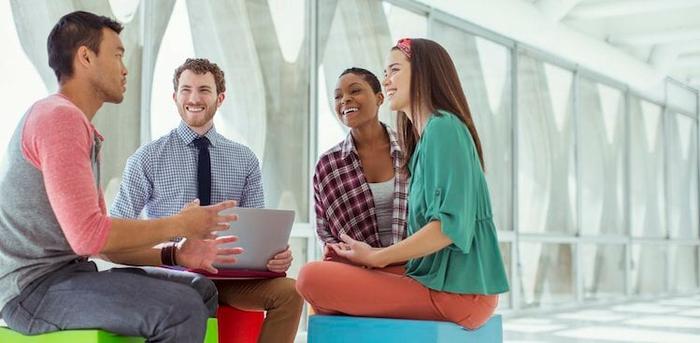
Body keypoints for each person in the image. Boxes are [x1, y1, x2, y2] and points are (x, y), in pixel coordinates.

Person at [0, 11, 241, 342]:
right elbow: (91, 237)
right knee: (180, 308)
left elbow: (104, 246)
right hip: (31, 289)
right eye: (117, 55)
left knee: (201, 289)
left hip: (69, 275)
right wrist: (181, 224)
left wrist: (176, 254)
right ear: (85, 57)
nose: (125, 68)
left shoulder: (78, 126)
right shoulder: (59, 120)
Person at [297, 38, 509, 330]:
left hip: (459, 292)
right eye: (385, 73)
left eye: (394, 70)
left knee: (310, 278)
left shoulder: (444, 129)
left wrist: (378, 257)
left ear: (422, 72)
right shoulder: (423, 142)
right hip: (436, 278)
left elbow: (449, 227)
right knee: (329, 276)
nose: (387, 80)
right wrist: (366, 257)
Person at [110, 58, 303, 343]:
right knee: (193, 293)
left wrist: (274, 256)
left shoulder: (244, 159)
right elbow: (117, 226)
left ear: (220, 98)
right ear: (174, 97)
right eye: (186, 90)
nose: (194, 98)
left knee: (291, 292)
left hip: (227, 277)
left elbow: (257, 231)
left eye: (204, 90)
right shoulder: (147, 158)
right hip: (171, 272)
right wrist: (171, 245)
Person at [313, 67, 408, 262]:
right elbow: (325, 232)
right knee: (309, 275)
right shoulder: (327, 165)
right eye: (338, 96)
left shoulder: (412, 151)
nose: (345, 100)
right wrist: (336, 248)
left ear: (380, 98)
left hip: (414, 265)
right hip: (358, 267)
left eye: (355, 91)